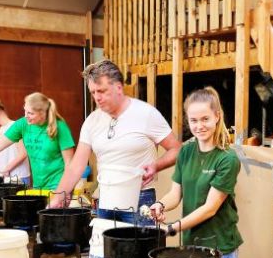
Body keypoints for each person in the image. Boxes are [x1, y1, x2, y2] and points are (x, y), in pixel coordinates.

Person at [49, 59, 181, 222]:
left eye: (101, 91)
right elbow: (76, 165)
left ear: (118, 87)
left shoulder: (146, 114)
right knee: (104, 240)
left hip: (140, 199)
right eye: (93, 92)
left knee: (139, 240)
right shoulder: (92, 121)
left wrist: (156, 165)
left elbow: (177, 149)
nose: (97, 97)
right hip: (106, 198)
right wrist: (59, 195)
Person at [150, 87, 243, 258]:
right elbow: (175, 194)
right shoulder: (186, 151)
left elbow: (210, 208)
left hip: (219, 247)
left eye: (205, 119)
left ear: (217, 116)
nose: (199, 126)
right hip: (191, 243)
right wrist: (160, 204)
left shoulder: (227, 159)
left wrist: (172, 228)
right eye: (193, 120)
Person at [0, 92, 75, 190]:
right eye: (25, 111)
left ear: (42, 113)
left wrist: (64, 191)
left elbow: (69, 164)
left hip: (59, 186)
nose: (26, 116)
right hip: (38, 187)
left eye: (31, 113)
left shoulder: (60, 127)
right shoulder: (23, 124)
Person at [0, 97, 31, 185]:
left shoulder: (15, 126)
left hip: (19, 177)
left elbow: (23, 153)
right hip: (8, 178)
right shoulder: (2, 129)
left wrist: (7, 169)